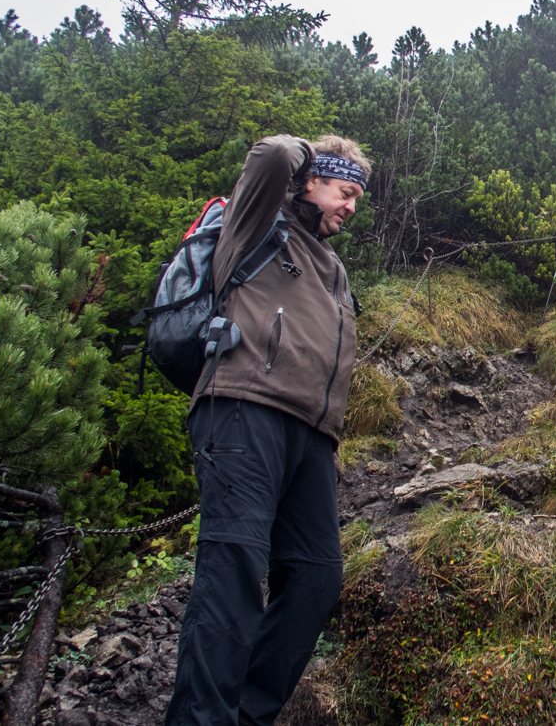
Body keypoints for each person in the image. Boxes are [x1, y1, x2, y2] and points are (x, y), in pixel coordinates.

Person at [165, 134, 368, 726]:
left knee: (316, 577)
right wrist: (308, 153)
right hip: (243, 410)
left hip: (311, 435)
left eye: (358, 196)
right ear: (310, 180)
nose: (351, 206)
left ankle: (247, 714)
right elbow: (270, 157)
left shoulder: (330, 266)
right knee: (232, 573)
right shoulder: (258, 224)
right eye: (343, 189)